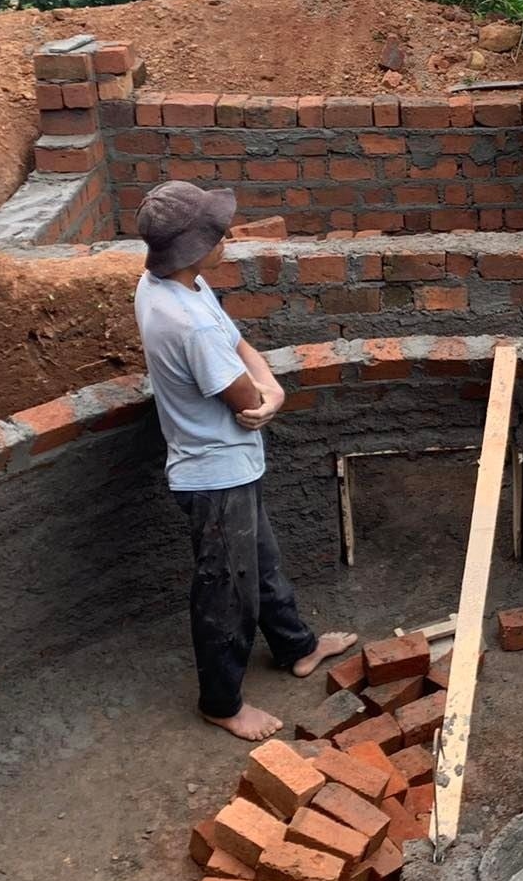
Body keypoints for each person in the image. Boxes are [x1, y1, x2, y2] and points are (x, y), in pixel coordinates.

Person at [133, 181, 357, 742]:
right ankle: (222, 702)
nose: (225, 238)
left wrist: (274, 390)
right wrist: (270, 397)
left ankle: (297, 648)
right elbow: (247, 403)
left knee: (261, 561)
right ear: (192, 248)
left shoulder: (174, 286)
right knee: (225, 591)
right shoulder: (187, 324)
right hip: (215, 474)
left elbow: (239, 347)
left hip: (228, 466)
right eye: (215, 233)